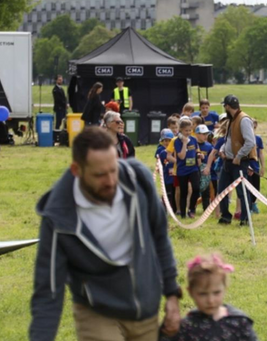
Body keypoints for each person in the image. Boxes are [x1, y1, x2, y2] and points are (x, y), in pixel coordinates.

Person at [29, 126, 181, 340]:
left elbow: (160, 238)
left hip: (144, 307)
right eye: (100, 174)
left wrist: (172, 294)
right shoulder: (58, 217)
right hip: (96, 310)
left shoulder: (137, 181)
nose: (110, 181)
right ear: (76, 170)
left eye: (113, 169)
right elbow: (48, 291)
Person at [159, 253, 256, 341]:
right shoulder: (186, 327)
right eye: (203, 294)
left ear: (225, 288)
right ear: (191, 292)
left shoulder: (238, 322)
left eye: (216, 292)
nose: (211, 300)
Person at [218, 95, 257, 226]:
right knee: (222, 190)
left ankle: (245, 218)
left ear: (228, 107)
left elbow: (250, 142)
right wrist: (223, 150)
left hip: (238, 162)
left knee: (242, 192)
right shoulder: (231, 119)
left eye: (225, 106)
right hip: (227, 161)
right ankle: (225, 216)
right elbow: (228, 139)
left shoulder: (244, 119)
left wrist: (238, 157)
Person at [174, 120, 201, 219]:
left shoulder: (193, 139)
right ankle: (182, 213)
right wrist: (184, 143)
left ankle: (191, 209)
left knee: (196, 188)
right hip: (182, 170)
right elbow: (181, 156)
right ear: (181, 130)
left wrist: (199, 155)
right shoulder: (177, 141)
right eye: (186, 131)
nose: (188, 132)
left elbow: (196, 151)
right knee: (183, 192)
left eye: (190, 130)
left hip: (193, 168)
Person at [156, 129, 177, 214]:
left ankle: (175, 210)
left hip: (175, 176)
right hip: (167, 177)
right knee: (167, 194)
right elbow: (159, 163)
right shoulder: (161, 152)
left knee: (175, 193)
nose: (167, 142)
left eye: (169, 140)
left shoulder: (175, 151)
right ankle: (163, 209)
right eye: (165, 140)